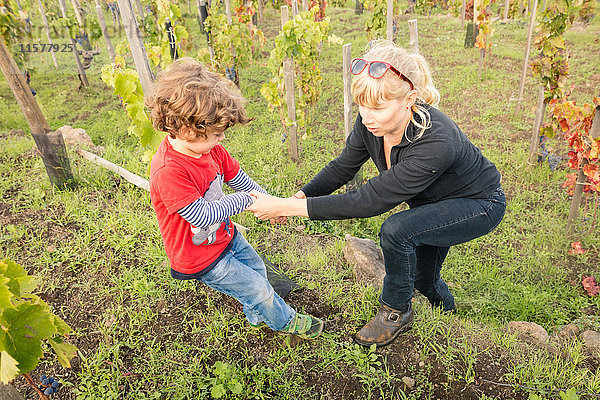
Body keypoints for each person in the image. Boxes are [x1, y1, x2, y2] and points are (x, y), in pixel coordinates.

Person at [248, 41, 506, 347]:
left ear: (410, 98)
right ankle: (446, 314)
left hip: (478, 204)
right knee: (423, 279)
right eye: (362, 105)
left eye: (378, 107)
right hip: (430, 202)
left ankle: (396, 311)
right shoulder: (369, 124)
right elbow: (343, 167)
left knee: (397, 231)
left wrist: (283, 209)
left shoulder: (437, 141)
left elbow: (370, 200)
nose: (367, 116)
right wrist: (298, 198)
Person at [145, 58, 324, 340]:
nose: (222, 138)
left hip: (225, 236)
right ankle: (285, 321)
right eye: (217, 133)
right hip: (200, 256)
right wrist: (245, 201)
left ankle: (259, 313)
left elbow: (239, 179)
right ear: (190, 130)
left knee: (258, 271)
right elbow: (200, 215)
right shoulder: (169, 171)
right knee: (259, 289)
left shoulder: (209, 150)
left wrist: (270, 202)